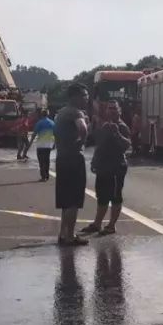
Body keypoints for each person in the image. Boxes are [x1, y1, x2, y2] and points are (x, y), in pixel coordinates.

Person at [82, 101, 131, 235]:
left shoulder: (122, 126)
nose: (112, 111)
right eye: (109, 108)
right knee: (102, 196)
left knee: (115, 196)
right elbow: (99, 145)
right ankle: (97, 223)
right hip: (103, 167)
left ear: (119, 111)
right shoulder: (103, 126)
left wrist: (117, 134)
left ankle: (111, 225)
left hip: (116, 167)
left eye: (115, 109)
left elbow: (127, 145)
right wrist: (94, 161)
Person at [54, 84, 90, 246]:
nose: (86, 98)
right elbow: (82, 129)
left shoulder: (61, 113)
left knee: (65, 201)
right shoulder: (76, 112)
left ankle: (63, 233)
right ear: (74, 97)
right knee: (74, 201)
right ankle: (70, 236)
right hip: (74, 159)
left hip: (61, 158)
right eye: (84, 95)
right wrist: (81, 142)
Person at [29, 109, 56, 181]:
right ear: (48, 114)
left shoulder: (39, 123)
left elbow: (34, 134)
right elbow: (56, 134)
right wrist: (55, 144)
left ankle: (43, 176)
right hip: (49, 144)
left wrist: (30, 143)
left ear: (41, 115)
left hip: (41, 144)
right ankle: (47, 175)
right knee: (47, 160)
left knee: (41, 161)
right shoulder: (52, 123)